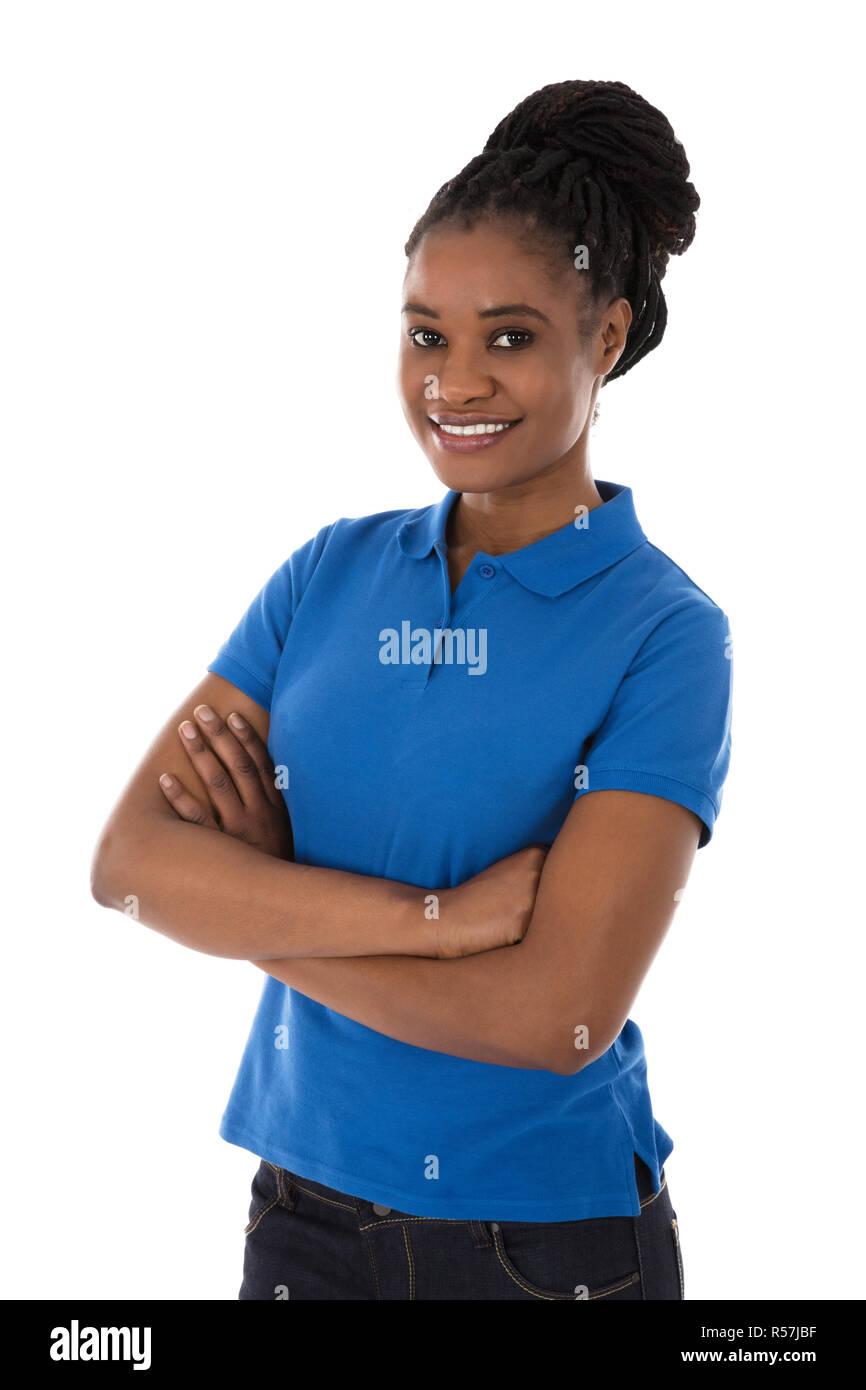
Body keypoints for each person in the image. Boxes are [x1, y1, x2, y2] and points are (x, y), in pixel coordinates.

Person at [91, 78, 733, 1301]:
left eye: (509, 336)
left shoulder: (665, 635)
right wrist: (433, 922)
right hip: (296, 1213)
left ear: (604, 336)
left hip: (538, 1250)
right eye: (424, 334)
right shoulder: (327, 570)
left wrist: (258, 905)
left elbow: (560, 1019)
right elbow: (127, 865)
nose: (455, 381)